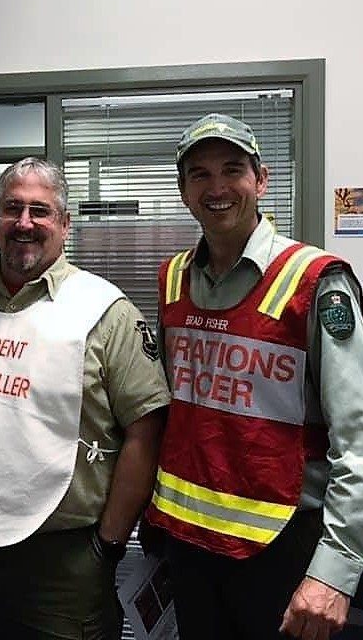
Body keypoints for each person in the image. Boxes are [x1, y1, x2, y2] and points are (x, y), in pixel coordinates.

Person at [0, 156, 171, 639]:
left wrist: (107, 544)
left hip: (55, 565)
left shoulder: (106, 312)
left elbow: (145, 435)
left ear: (64, 224)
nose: (24, 223)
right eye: (11, 209)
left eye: (40, 211)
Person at [145, 113, 363, 640]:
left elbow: (357, 438)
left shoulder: (315, 281)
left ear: (261, 180)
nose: (216, 187)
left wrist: (334, 573)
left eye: (232, 169)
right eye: (199, 174)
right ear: (182, 189)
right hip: (188, 539)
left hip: (282, 546)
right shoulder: (172, 275)